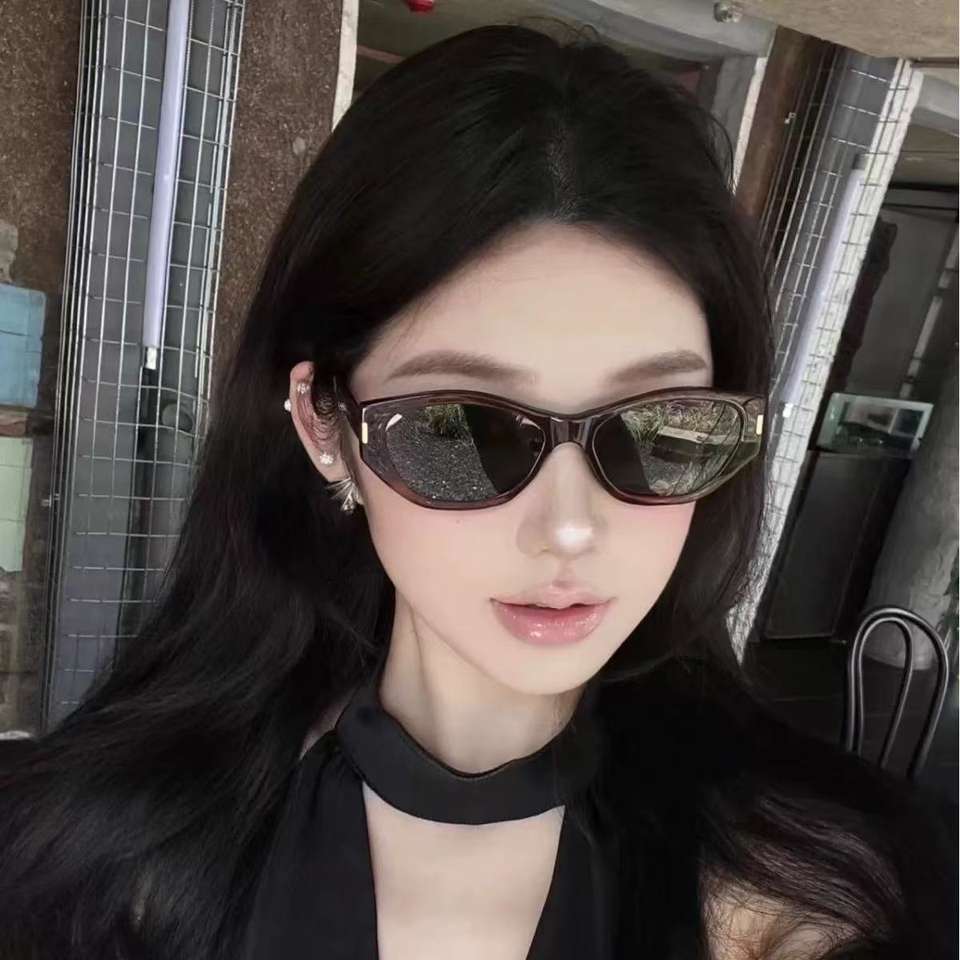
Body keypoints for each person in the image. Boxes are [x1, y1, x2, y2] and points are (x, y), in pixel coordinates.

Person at [0, 22, 953, 960]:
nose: (570, 529)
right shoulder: (110, 863)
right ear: (324, 426)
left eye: (660, 428)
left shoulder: (799, 894)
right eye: (460, 430)